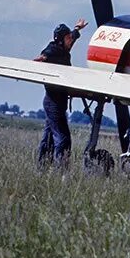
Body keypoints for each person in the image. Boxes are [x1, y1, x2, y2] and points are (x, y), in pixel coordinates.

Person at [34, 18, 88, 167]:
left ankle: (42, 168)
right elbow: (44, 56)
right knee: (63, 140)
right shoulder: (52, 50)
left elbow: (73, 37)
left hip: (58, 102)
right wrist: (40, 60)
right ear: (61, 40)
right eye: (68, 37)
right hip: (53, 103)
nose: (71, 40)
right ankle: (61, 173)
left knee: (49, 138)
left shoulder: (64, 49)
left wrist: (77, 28)